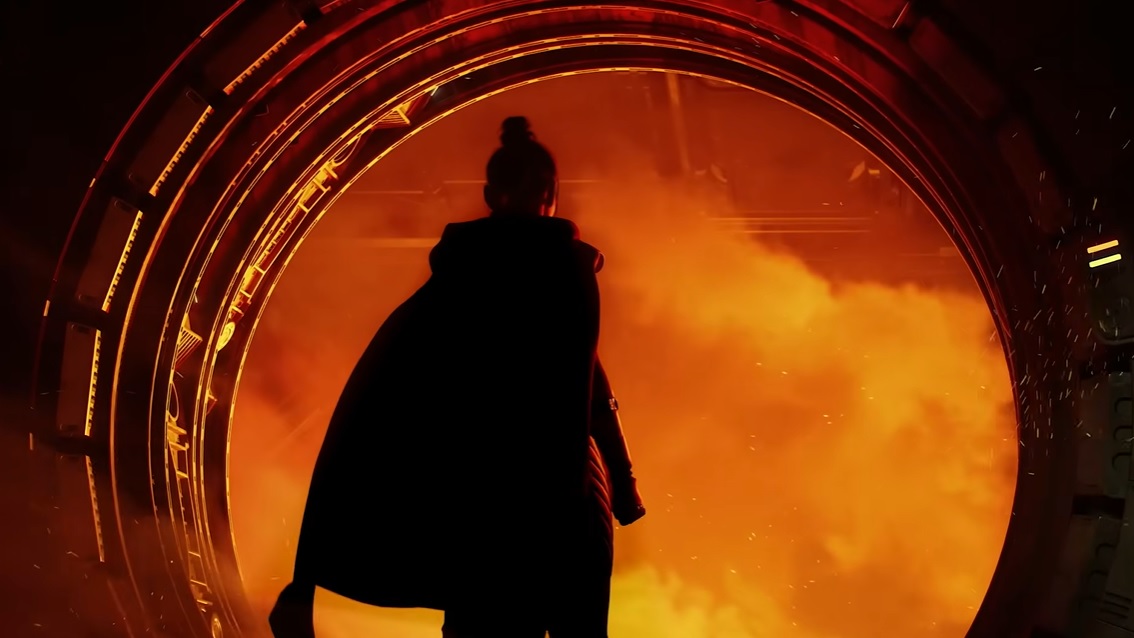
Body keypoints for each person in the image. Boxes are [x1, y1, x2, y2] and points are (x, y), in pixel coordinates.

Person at [268, 116, 646, 638]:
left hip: (477, 493)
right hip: (566, 494)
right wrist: (623, 487)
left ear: (491, 195)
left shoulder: (459, 277)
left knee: (482, 625)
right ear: (551, 195)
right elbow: (590, 385)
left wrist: (312, 569)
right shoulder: (566, 268)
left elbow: (385, 387)